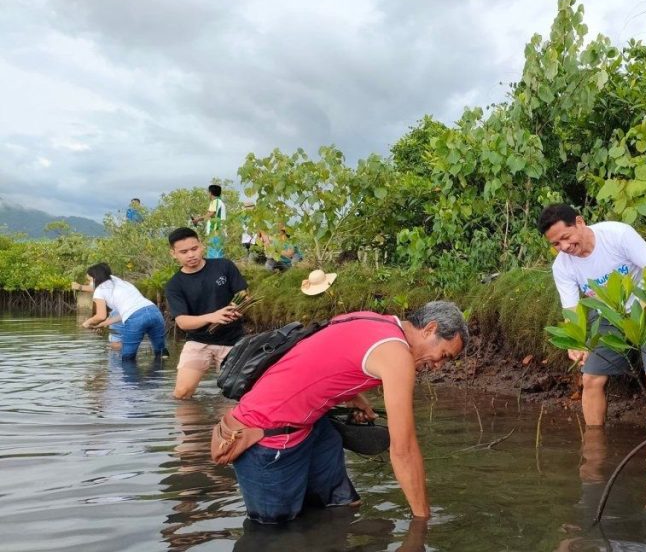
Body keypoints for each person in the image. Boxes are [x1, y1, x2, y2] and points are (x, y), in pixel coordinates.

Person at [224, 301, 468, 524]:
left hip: (312, 427)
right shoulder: (398, 357)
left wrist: (353, 397)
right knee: (274, 535)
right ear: (429, 329)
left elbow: (326, 352)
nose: (438, 367)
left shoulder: (371, 319)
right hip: (265, 437)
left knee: (343, 509)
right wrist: (422, 522)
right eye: (443, 356)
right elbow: (404, 450)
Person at [537, 203, 646, 438]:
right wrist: (576, 343)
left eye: (566, 238)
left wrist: (640, 311)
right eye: (556, 244)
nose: (565, 247)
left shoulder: (617, 235)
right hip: (609, 316)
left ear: (579, 222)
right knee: (590, 379)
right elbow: (572, 312)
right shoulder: (562, 267)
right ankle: (593, 448)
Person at [164, 227, 248, 400]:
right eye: (184, 252)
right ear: (173, 254)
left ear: (201, 245)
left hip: (233, 341)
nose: (191, 255)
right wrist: (212, 317)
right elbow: (182, 322)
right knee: (182, 394)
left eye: (194, 249)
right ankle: (192, 426)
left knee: (236, 395)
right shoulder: (174, 285)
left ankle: (226, 425)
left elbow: (242, 294)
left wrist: (236, 307)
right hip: (198, 341)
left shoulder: (224, 266)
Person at [80, 262, 167, 362]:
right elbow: (126, 312)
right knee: (161, 353)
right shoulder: (119, 282)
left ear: (95, 278)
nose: (89, 283)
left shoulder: (99, 290)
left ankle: (130, 376)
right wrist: (104, 323)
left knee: (127, 359)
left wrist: (87, 323)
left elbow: (100, 315)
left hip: (136, 319)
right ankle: (160, 375)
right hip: (154, 311)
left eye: (89, 280)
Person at [72, 279, 125, 351]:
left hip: (121, 312)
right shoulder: (115, 286)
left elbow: (101, 316)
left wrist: (87, 323)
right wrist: (102, 325)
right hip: (126, 311)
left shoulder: (101, 289)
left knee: (115, 344)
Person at [191, 185, 227, 258]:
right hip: (219, 230)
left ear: (210, 193)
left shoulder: (215, 201)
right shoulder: (220, 202)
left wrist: (197, 219)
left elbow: (211, 214)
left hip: (215, 230)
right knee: (218, 251)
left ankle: (215, 268)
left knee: (214, 253)